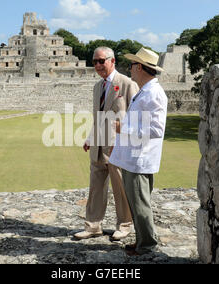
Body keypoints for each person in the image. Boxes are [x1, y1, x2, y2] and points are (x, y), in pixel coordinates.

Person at [74, 47, 139, 240]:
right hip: (98, 146)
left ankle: (124, 225)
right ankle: (93, 225)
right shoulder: (97, 87)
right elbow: (99, 118)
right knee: (95, 188)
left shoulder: (127, 84)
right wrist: (90, 138)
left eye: (101, 61)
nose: (98, 65)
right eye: (95, 62)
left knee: (120, 187)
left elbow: (135, 118)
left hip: (118, 146)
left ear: (113, 61)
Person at [109, 47, 168, 256]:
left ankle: (147, 244)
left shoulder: (154, 93)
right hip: (133, 157)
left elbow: (156, 129)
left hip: (140, 158)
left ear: (140, 67)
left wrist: (123, 128)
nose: (130, 69)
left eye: (133, 65)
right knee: (135, 201)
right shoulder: (145, 91)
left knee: (140, 203)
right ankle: (142, 239)